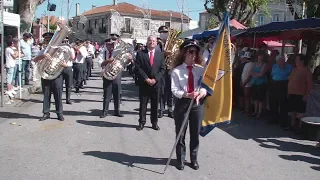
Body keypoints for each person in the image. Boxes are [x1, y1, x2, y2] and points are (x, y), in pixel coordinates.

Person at [171, 39, 207, 170]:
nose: (194, 55)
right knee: (181, 133)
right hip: (183, 103)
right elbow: (174, 90)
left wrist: (202, 92)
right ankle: (180, 159)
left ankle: (194, 159)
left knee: (195, 132)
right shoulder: (177, 71)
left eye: (196, 52)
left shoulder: (201, 70)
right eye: (191, 52)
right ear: (184, 53)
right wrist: (186, 94)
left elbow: (206, 86)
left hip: (197, 104)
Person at [33, 32, 73, 121]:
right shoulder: (42, 51)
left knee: (58, 95)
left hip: (57, 76)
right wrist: (42, 56)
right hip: (45, 75)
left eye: (50, 40)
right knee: (46, 95)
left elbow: (69, 60)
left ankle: (59, 113)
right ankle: (46, 113)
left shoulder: (61, 50)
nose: (48, 42)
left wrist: (65, 65)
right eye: (46, 40)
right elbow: (35, 60)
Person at [135, 35, 165, 131]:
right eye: (150, 40)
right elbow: (138, 68)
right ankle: (142, 122)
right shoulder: (140, 53)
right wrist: (146, 79)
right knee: (143, 104)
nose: (152, 42)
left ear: (156, 43)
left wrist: (155, 79)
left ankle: (154, 123)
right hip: (144, 83)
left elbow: (162, 69)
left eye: (154, 41)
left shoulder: (160, 54)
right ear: (147, 42)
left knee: (155, 105)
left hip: (156, 84)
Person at [100, 36, 127, 118]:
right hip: (107, 74)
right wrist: (107, 61)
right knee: (107, 94)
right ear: (106, 45)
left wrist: (128, 59)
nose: (111, 46)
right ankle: (105, 111)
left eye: (112, 44)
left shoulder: (117, 51)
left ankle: (117, 111)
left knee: (117, 94)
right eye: (109, 45)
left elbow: (124, 62)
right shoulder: (103, 52)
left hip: (117, 74)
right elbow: (100, 63)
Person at [287, 54, 312, 131]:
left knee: (300, 112)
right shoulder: (294, 69)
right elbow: (289, 79)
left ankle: (300, 127)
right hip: (292, 93)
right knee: (292, 111)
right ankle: (292, 125)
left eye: (297, 59)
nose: (296, 61)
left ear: (302, 61)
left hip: (301, 94)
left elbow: (310, 84)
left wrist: (307, 94)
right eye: (296, 59)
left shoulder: (307, 71)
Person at [269, 55, 292, 127]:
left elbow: (291, 76)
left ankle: (283, 121)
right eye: (279, 61)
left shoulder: (289, 67)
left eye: (282, 60)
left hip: (284, 84)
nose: (280, 62)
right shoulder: (275, 66)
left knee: (283, 103)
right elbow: (272, 74)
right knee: (273, 102)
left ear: (284, 60)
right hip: (275, 84)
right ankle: (273, 119)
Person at [158, 25, 174, 118]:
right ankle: (161, 109)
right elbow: (155, 55)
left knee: (170, 90)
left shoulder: (173, 43)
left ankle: (170, 109)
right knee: (162, 90)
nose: (164, 34)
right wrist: (164, 53)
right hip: (161, 69)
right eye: (162, 33)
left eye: (166, 32)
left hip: (171, 68)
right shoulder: (158, 44)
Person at [249, 51, 268, 119]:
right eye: (259, 57)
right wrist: (256, 74)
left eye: (261, 57)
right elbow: (250, 72)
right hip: (254, 82)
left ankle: (260, 112)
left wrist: (254, 74)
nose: (260, 58)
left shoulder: (264, 64)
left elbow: (261, 74)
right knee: (255, 98)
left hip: (261, 83)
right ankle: (255, 111)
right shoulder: (254, 64)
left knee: (260, 99)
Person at [61, 38, 75, 104]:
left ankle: (68, 99)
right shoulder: (59, 48)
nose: (65, 42)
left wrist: (69, 50)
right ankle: (62, 99)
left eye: (66, 41)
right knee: (60, 85)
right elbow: (73, 58)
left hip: (68, 66)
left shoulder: (70, 49)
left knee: (68, 84)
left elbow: (72, 58)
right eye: (64, 41)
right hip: (61, 67)